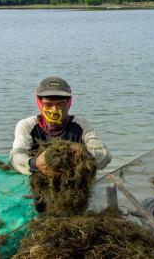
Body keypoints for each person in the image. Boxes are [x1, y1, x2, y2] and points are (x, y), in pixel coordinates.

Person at [10, 77, 112, 212]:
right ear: (40, 103)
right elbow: (15, 157)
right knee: (44, 217)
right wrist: (35, 163)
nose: (54, 110)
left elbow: (104, 155)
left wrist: (79, 158)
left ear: (69, 103)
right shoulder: (27, 126)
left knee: (78, 215)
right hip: (43, 189)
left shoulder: (82, 125)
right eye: (48, 105)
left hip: (75, 190)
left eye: (60, 105)